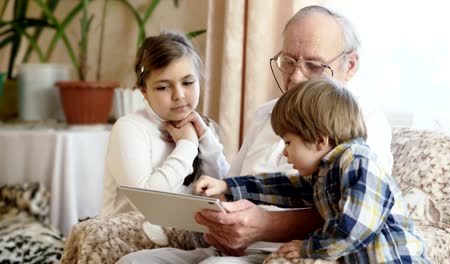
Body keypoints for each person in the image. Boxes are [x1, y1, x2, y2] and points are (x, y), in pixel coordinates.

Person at [117, 5, 394, 264]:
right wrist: (221, 211)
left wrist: (263, 226)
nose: (296, 78)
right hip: (231, 250)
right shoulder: (266, 114)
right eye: (288, 62)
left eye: (313, 65)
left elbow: (353, 216)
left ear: (350, 65)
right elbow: (266, 185)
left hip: (289, 254)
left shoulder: (359, 123)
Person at [193, 77, 428, 263]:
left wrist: (308, 247)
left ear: (318, 140)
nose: (284, 152)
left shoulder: (358, 161)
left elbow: (355, 228)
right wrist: (228, 186)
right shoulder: (326, 173)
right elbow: (284, 187)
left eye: (288, 142)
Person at [102, 31, 229, 216]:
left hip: (184, 238)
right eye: (163, 87)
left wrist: (205, 138)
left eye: (188, 82)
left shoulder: (201, 128)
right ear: (144, 91)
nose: (179, 95)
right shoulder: (129, 129)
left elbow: (222, 188)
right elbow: (148, 204)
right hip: (127, 238)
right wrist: (188, 145)